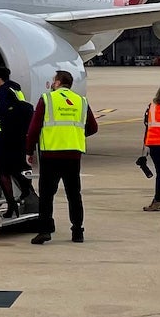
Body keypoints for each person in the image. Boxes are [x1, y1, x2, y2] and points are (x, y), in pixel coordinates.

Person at [25, 69, 98, 244]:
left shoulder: (47, 99)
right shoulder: (81, 101)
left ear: (57, 83)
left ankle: (45, 230)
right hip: (73, 155)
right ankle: (78, 231)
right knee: (74, 195)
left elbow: (34, 128)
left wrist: (29, 150)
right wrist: (75, 135)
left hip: (51, 154)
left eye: (53, 81)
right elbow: (93, 127)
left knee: (47, 195)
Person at [0, 68, 35, 217]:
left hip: (5, 137)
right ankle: (26, 192)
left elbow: (2, 114)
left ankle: (11, 205)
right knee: (18, 168)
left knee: (3, 172)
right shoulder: (17, 89)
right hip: (20, 136)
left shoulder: (0, 92)